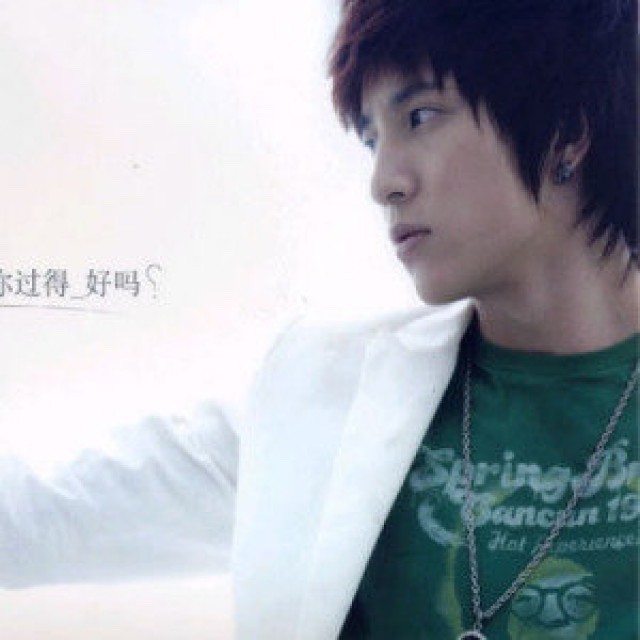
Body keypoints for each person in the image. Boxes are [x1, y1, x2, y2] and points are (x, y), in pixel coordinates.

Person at [1, 1, 637, 639]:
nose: (384, 182)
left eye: (420, 117)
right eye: (371, 138)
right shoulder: (326, 396)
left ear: (566, 130)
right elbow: (39, 517)